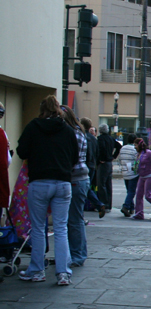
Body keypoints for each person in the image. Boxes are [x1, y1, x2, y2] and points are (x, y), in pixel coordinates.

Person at [17, 96, 78, 285]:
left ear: (42, 109)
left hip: (39, 182)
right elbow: (75, 156)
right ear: (59, 110)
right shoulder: (67, 130)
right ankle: (63, 273)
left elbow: (21, 151)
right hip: (62, 182)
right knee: (61, 228)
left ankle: (36, 270)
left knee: (38, 228)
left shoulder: (33, 127)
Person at [61, 106, 90, 269]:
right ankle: (76, 253)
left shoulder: (72, 133)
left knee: (74, 219)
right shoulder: (79, 131)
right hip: (80, 177)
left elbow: (71, 157)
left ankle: (77, 255)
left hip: (75, 178)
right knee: (74, 218)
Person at [79, 118, 104, 216]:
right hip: (92, 165)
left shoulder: (83, 136)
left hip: (85, 164)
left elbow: (86, 152)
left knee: (83, 187)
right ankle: (98, 204)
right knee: (86, 187)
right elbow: (97, 153)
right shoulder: (94, 139)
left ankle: (97, 204)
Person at [96, 123, 121, 215]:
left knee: (101, 184)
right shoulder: (111, 139)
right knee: (108, 184)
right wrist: (113, 156)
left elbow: (101, 149)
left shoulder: (100, 139)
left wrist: (100, 159)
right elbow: (118, 146)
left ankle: (103, 204)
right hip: (109, 163)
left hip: (103, 163)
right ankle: (108, 205)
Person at [118, 134, 139, 217]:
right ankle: (126, 206)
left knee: (129, 190)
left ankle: (131, 207)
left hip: (124, 170)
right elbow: (137, 159)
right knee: (132, 191)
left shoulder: (123, 148)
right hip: (132, 172)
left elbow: (120, 159)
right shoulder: (134, 149)